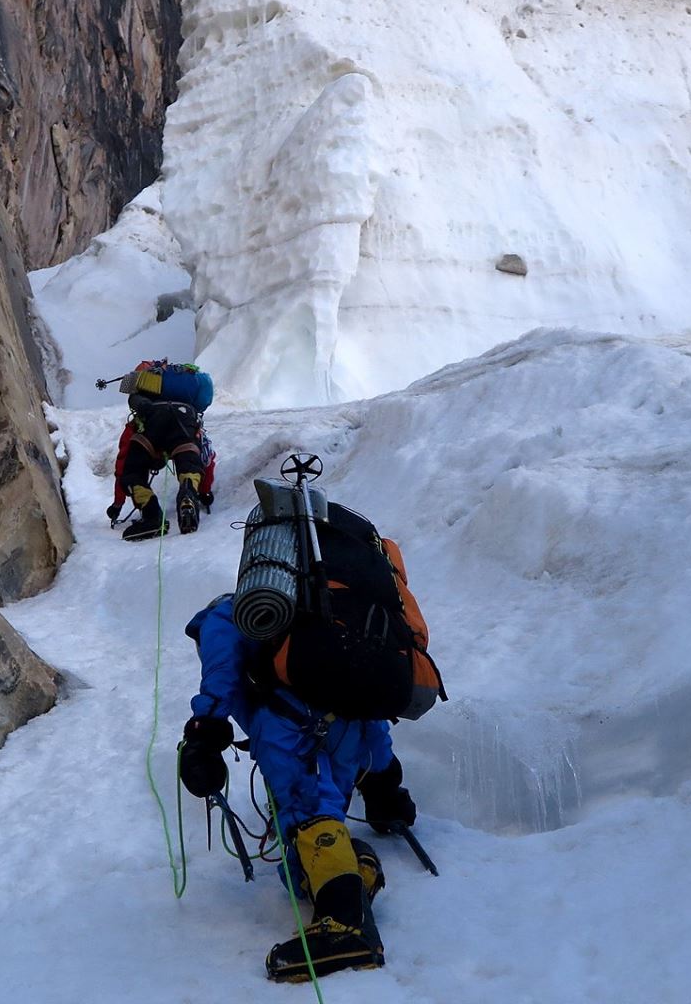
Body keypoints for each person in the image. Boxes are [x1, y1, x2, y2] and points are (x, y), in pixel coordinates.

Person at [177, 489, 442, 981]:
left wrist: (205, 734)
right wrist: (384, 789)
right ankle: (354, 871)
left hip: (287, 724)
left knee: (306, 812)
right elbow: (369, 720)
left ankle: (345, 929)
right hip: (354, 730)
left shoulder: (226, 615)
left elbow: (221, 677)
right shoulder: (335, 617)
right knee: (309, 844)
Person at [108, 402, 215, 541]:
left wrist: (118, 503)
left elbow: (123, 464)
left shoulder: (142, 412)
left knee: (133, 472)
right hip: (184, 419)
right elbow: (206, 459)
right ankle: (189, 492)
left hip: (151, 425)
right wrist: (204, 492)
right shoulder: (190, 405)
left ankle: (152, 516)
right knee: (189, 462)